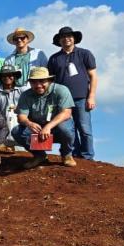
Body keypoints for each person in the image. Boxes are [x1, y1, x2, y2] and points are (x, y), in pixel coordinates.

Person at [47, 26, 97, 161]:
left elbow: (93, 76)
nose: (66, 39)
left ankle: (87, 157)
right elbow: (50, 81)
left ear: (74, 38)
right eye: (63, 37)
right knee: (68, 129)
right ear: (59, 40)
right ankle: (74, 155)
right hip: (62, 101)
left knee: (85, 129)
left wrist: (91, 96)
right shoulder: (54, 58)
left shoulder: (85, 54)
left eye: (69, 36)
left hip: (82, 97)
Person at [12, 67, 76, 169]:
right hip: (38, 127)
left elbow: (66, 113)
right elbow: (21, 117)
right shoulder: (25, 95)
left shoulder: (61, 90)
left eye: (42, 81)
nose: (38, 85)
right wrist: (29, 123)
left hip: (57, 126)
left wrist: (49, 126)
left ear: (50, 80)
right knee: (16, 131)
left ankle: (66, 155)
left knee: (65, 128)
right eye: (34, 82)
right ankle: (39, 155)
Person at [0, 65, 25, 152]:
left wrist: (17, 110)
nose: (7, 78)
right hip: (2, 124)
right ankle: (4, 142)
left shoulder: (23, 90)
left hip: (21, 122)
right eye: (4, 76)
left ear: (15, 77)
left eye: (10, 75)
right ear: (0, 78)